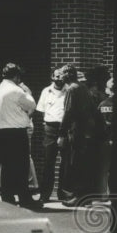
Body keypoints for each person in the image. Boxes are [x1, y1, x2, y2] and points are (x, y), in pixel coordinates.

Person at [0, 63, 38, 208]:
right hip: (16, 133)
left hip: (1, 132)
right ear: (17, 76)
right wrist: (27, 91)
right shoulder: (16, 91)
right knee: (22, 167)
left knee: (7, 166)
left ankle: (7, 198)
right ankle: (25, 199)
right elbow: (32, 106)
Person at [59, 65, 98, 207]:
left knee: (76, 164)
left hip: (77, 131)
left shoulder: (71, 89)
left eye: (62, 74)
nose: (60, 76)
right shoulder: (82, 87)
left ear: (68, 75)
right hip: (86, 131)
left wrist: (62, 133)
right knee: (84, 164)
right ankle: (85, 198)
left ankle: (79, 196)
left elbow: (68, 112)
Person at [36, 67, 68, 203]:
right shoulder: (46, 91)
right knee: (49, 162)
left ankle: (63, 193)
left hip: (65, 128)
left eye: (61, 76)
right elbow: (42, 110)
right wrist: (47, 124)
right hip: (50, 128)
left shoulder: (69, 91)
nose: (59, 79)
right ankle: (45, 194)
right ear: (52, 77)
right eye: (57, 76)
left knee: (66, 162)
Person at [87, 65, 112, 202]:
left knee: (103, 169)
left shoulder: (102, 104)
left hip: (102, 139)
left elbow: (96, 122)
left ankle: (102, 194)